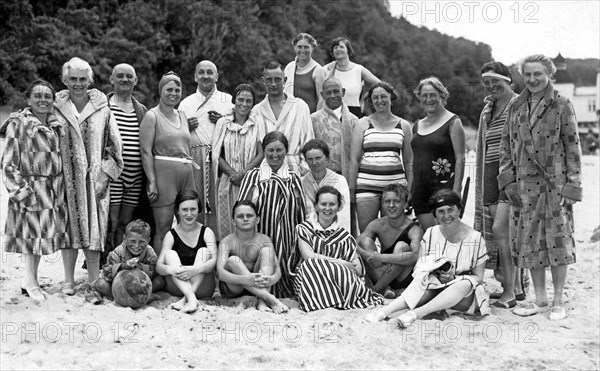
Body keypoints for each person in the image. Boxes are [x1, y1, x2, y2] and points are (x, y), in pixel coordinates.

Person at [498, 54, 582, 321]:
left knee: (558, 241)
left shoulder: (562, 103)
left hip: (554, 184)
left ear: (549, 75)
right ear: (522, 76)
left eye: (538, 74)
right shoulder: (515, 107)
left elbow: (573, 147)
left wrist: (573, 185)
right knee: (530, 241)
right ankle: (541, 298)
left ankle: (558, 300)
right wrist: (508, 181)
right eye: (528, 74)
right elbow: (505, 148)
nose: (533, 80)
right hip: (524, 186)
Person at [365, 190, 489, 327]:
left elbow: (478, 277)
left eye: (450, 210)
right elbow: (420, 267)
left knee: (465, 283)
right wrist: (434, 274)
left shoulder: (475, 238)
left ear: (459, 210)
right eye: (441, 211)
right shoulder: (431, 233)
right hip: (433, 288)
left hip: (462, 295)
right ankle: (384, 311)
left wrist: (453, 278)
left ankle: (415, 314)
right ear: (435, 214)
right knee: (426, 281)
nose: (446, 216)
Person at [54, 57, 123, 302]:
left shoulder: (102, 109)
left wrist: (104, 174)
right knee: (68, 229)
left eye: (83, 79)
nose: (78, 83)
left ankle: (93, 280)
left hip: (95, 180)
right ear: (64, 80)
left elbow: (115, 145)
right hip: (65, 179)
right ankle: (69, 280)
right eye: (73, 79)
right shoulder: (55, 108)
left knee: (95, 230)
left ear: (89, 81)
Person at [1, 80, 69, 303]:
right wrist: (22, 192)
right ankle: (30, 282)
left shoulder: (54, 125)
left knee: (39, 238)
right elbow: (8, 163)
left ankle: (29, 280)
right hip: (30, 186)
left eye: (47, 96)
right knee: (30, 236)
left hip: (51, 189)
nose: (43, 100)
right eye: (38, 96)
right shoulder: (18, 124)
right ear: (28, 99)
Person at [473, 61, 524, 309]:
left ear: (508, 80)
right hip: (490, 173)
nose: (491, 86)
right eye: (486, 82)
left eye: (496, 81)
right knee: (501, 233)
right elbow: (484, 146)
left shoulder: (518, 104)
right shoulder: (488, 110)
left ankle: (510, 293)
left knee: (502, 230)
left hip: (511, 174)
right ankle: (514, 287)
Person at [291, 186, 385, 311]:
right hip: (310, 280)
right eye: (323, 204)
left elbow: (358, 269)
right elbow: (308, 256)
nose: (327, 208)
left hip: (339, 281)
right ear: (316, 206)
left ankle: (331, 302)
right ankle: (327, 302)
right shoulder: (304, 229)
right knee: (310, 265)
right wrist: (340, 263)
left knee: (332, 269)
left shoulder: (345, 236)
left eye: (332, 204)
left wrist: (337, 268)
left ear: (339, 207)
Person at [238, 131, 305, 298]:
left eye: (279, 150)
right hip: (259, 238)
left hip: (287, 240)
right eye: (270, 150)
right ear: (264, 151)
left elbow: (301, 214)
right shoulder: (253, 177)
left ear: (286, 151)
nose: (275, 155)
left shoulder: (293, 178)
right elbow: (242, 210)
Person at [140, 72, 195, 255]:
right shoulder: (152, 116)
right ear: (161, 91)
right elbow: (146, 151)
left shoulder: (183, 115)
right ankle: (159, 271)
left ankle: (184, 264)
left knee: (188, 223)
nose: (173, 93)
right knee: (163, 227)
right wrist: (152, 181)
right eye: (169, 89)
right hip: (164, 174)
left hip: (186, 172)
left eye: (177, 89)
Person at [348, 82, 414, 233]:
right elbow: (354, 160)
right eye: (375, 98)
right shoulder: (362, 124)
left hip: (396, 189)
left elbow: (409, 161)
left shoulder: (404, 125)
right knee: (366, 236)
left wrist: (409, 190)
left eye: (383, 96)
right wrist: (351, 190)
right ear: (371, 101)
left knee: (391, 236)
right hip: (365, 189)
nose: (379, 100)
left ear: (391, 97)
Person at [179, 60, 234, 233]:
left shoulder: (228, 100)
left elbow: (239, 128)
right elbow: (177, 136)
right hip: (194, 160)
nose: (205, 76)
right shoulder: (186, 103)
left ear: (217, 76)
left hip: (221, 159)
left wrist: (222, 122)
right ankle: (197, 242)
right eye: (201, 72)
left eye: (210, 72)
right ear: (195, 77)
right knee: (196, 202)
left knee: (220, 201)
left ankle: (222, 242)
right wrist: (185, 128)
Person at [211, 84, 266, 240]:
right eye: (240, 99)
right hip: (227, 181)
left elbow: (261, 153)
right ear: (234, 100)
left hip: (250, 181)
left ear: (253, 103)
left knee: (248, 220)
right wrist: (232, 173)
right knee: (227, 222)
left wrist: (243, 173)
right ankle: (227, 259)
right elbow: (216, 154)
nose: (244, 104)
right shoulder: (223, 122)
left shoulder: (258, 122)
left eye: (248, 101)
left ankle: (249, 258)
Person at [411, 76, 465, 230]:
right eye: (424, 95)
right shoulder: (417, 125)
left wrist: (457, 191)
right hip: (420, 191)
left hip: (444, 188)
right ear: (419, 98)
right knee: (430, 235)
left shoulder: (453, 122)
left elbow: (460, 158)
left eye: (433, 95)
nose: (429, 99)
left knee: (447, 235)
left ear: (442, 95)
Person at [216, 200, 288, 313]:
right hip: (235, 288)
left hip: (259, 285)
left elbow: (278, 271)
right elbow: (220, 273)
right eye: (240, 216)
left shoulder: (264, 239)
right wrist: (246, 279)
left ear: (257, 219)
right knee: (233, 260)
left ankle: (262, 302)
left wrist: (271, 279)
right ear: (233, 221)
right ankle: (270, 298)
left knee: (267, 252)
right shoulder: (227, 242)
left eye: (249, 215)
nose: (245, 219)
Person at [106, 63, 149, 254]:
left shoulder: (142, 110)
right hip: (114, 174)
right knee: (111, 221)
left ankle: (121, 257)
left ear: (136, 81)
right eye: (120, 76)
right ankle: (106, 258)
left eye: (129, 76)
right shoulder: (104, 107)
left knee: (126, 222)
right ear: (112, 79)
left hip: (136, 176)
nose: (125, 79)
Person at [356, 184, 424, 297]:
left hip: (402, 277)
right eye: (387, 201)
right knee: (365, 242)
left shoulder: (415, 229)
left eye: (396, 201)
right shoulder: (377, 224)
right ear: (382, 203)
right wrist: (370, 256)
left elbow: (415, 255)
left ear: (405, 204)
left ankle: (376, 290)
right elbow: (354, 244)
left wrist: (380, 258)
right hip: (381, 273)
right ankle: (386, 289)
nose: (391, 205)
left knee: (402, 246)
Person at [156, 190, 217, 314]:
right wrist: (171, 270)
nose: (189, 214)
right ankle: (191, 298)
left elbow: (214, 261)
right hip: (178, 287)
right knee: (169, 254)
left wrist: (195, 270)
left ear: (198, 209)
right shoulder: (171, 235)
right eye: (184, 209)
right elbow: (159, 266)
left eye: (193, 209)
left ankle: (188, 298)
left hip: (203, 287)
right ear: (177, 210)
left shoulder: (207, 232)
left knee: (204, 251)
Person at [254, 61, 314, 176]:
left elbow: (308, 142)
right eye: (269, 80)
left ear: (285, 80)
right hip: (265, 174)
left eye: (277, 79)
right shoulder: (256, 111)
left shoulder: (300, 106)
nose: (273, 84)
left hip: (295, 173)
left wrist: (302, 172)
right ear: (263, 81)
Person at [95, 219, 166, 298]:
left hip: (141, 285)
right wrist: (122, 267)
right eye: (132, 241)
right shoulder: (118, 252)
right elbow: (106, 272)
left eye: (141, 242)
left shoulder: (149, 251)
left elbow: (155, 270)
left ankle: (140, 296)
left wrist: (141, 268)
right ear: (125, 238)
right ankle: (127, 298)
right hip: (121, 286)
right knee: (100, 284)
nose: (136, 246)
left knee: (160, 281)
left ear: (148, 240)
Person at [310, 76, 359, 178]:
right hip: (322, 177)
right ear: (322, 95)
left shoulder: (355, 121)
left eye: (336, 91)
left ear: (343, 92)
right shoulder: (313, 119)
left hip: (349, 177)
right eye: (328, 93)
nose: (333, 96)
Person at [301, 139, 351, 232]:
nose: (314, 163)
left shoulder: (339, 180)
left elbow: (344, 214)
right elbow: (306, 213)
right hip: (310, 231)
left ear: (327, 158)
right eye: (310, 159)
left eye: (318, 158)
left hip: (336, 231)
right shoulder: (302, 182)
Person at [323, 37, 380, 117]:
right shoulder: (327, 69)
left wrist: (365, 97)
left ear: (348, 50)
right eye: (335, 47)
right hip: (332, 113)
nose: (338, 49)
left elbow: (379, 84)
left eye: (341, 47)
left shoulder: (359, 69)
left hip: (354, 113)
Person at [283, 32, 326, 113]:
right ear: (294, 47)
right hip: (291, 115)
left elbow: (322, 99)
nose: (302, 50)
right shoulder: (290, 67)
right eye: (299, 47)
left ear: (312, 48)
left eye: (306, 47)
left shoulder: (318, 70)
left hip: (310, 117)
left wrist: (316, 119)